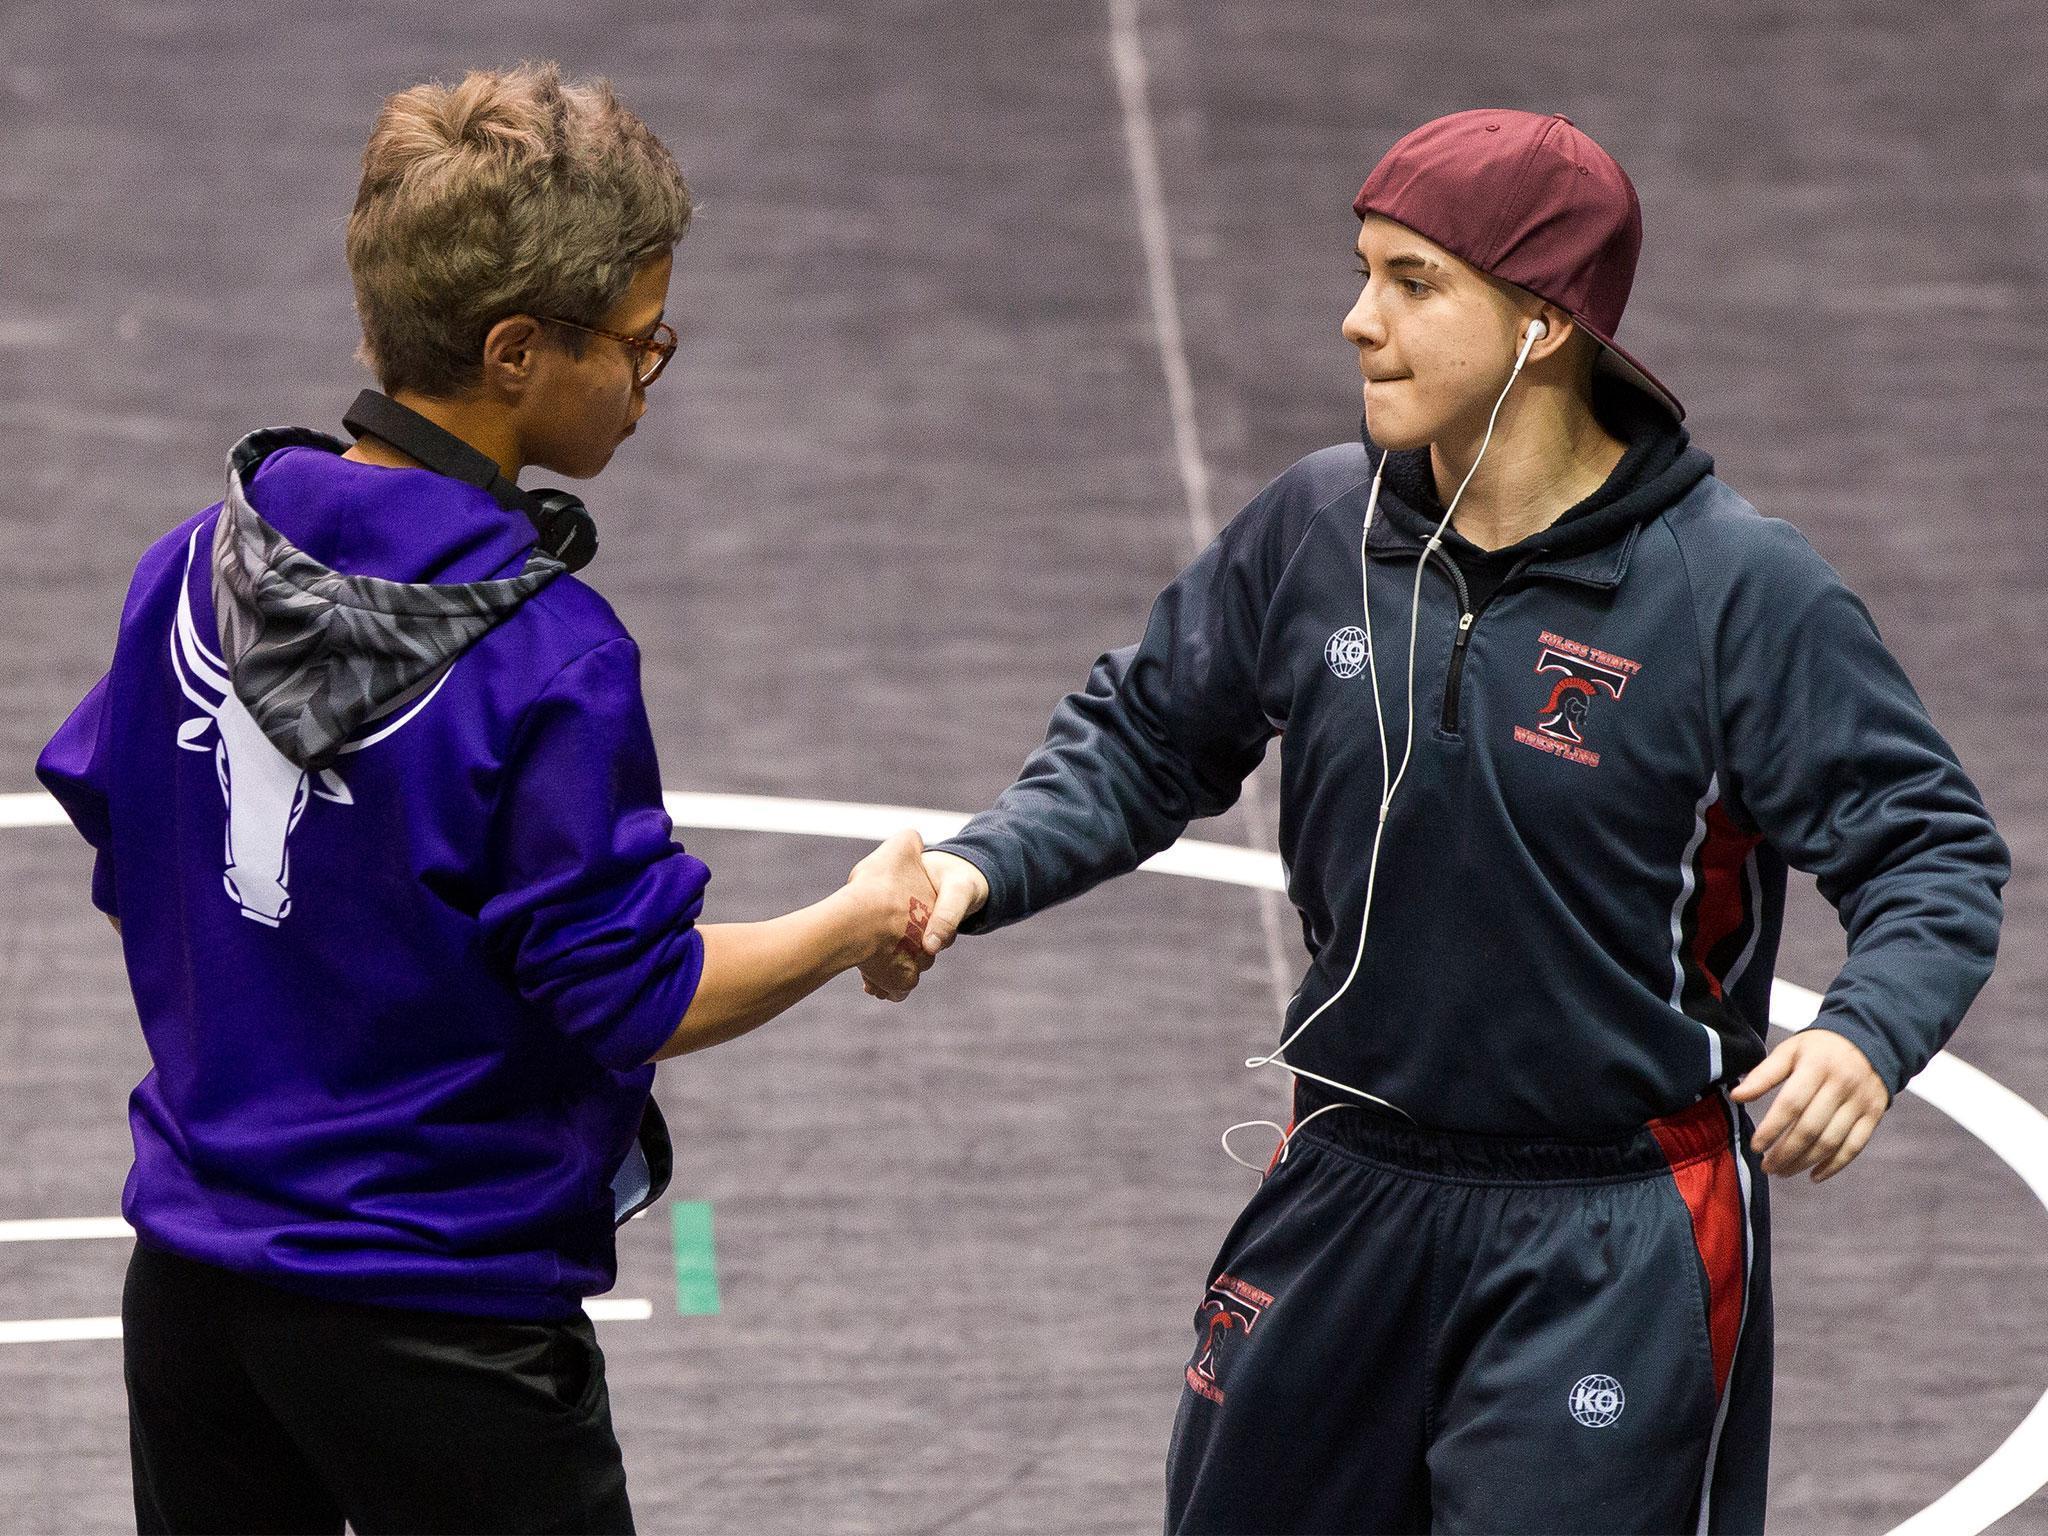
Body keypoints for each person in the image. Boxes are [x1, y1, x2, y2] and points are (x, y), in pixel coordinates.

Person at [896, 110, 2007, 1532]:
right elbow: (1143, 738)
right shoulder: (1316, 529)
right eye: (1363, 272)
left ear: (1545, 327)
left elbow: (1928, 844)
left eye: (1414, 283)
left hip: (1613, 1230)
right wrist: (974, 870)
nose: (1358, 323)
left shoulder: (1737, 593)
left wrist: (1866, 1031)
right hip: (1348, 1187)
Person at [36, 63, 933, 1536]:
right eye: (642, 346)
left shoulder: (187, 571)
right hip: (439, 1325)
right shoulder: (548, 659)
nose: (650, 380)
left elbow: (136, 837)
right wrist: (851, 923)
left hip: (193, 1302)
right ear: (519, 348)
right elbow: (639, 993)